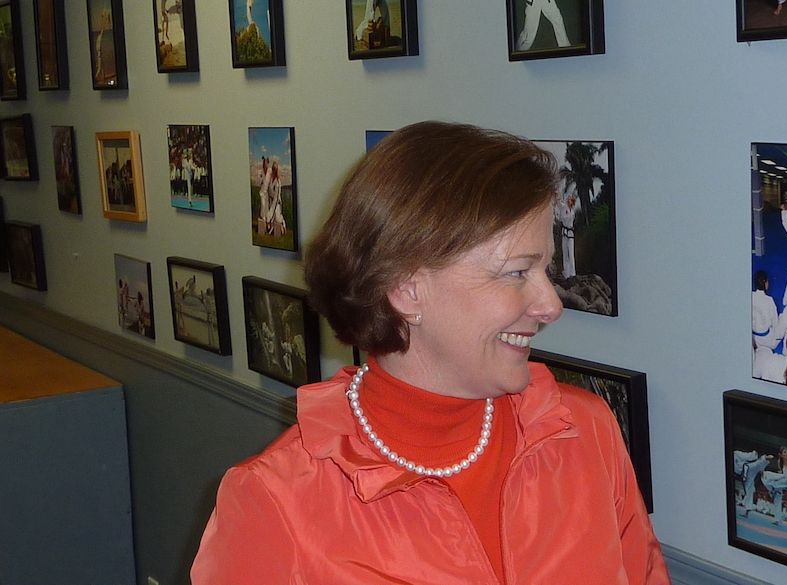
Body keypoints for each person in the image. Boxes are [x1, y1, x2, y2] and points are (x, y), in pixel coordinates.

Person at [190, 121, 670, 585]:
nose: (550, 306)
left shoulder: (583, 434)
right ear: (406, 289)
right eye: (517, 273)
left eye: (545, 270)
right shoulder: (279, 501)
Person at [733, 450, 772, 515]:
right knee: (749, 489)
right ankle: (747, 509)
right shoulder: (734, 455)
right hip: (744, 471)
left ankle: (747, 510)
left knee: (750, 490)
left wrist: (754, 455)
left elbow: (747, 457)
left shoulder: (736, 454)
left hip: (746, 469)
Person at [555, 184, 580, 279]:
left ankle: (572, 273)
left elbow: (570, 222)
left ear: (571, 202)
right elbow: (557, 202)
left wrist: (571, 227)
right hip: (564, 232)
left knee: (571, 253)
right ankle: (566, 274)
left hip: (570, 233)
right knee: (565, 253)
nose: (567, 200)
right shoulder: (563, 207)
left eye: (569, 199)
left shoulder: (572, 212)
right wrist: (555, 194)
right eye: (567, 199)